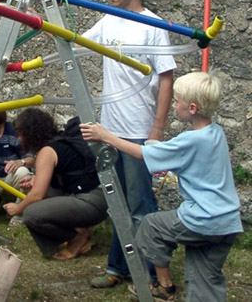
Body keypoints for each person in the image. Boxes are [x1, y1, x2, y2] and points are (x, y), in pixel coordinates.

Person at [81, 71, 243, 302]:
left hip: (203, 219)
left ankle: (163, 286)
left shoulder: (190, 140)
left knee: (151, 226)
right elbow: (185, 157)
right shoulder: (215, 132)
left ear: (192, 108)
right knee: (204, 278)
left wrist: (105, 136)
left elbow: (141, 154)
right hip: (227, 222)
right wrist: (159, 148)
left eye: (176, 101)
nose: (173, 105)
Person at [82, 0, 176, 287]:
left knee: (140, 206)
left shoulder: (153, 26)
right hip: (109, 129)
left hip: (138, 131)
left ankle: (150, 274)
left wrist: (157, 130)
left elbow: (166, 78)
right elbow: (74, 41)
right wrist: (41, 18)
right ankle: (118, 268)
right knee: (117, 203)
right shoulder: (109, 19)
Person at [3, 108, 108, 260]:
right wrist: (35, 178)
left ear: (30, 133)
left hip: (91, 202)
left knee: (31, 214)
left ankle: (77, 240)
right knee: (47, 193)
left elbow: (37, 195)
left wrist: (18, 208)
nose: (19, 139)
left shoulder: (47, 152)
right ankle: (80, 230)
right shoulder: (60, 141)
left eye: (21, 134)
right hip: (101, 197)